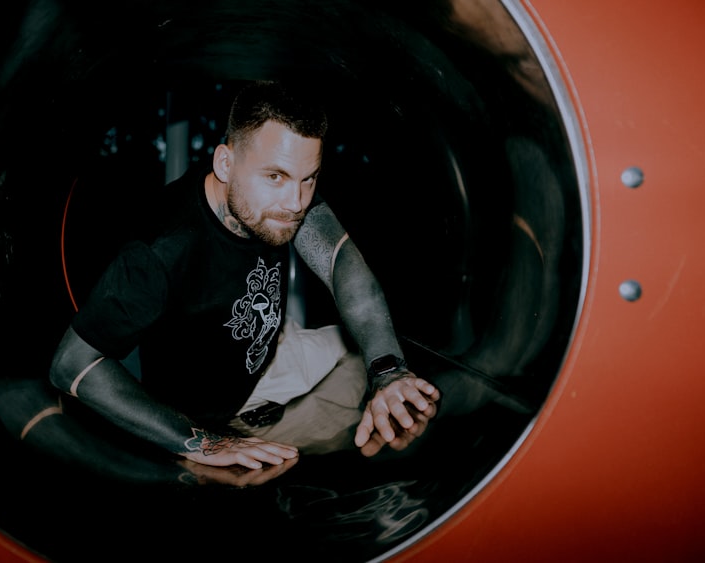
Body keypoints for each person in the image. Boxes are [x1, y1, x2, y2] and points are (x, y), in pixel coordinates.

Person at [48, 80, 440, 471]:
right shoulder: (160, 251)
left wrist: (388, 372)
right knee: (383, 446)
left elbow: (342, 264)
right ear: (224, 163)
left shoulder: (277, 197)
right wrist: (202, 444)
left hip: (278, 347)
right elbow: (71, 363)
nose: (296, 203)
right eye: (276, 177)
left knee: (413, 389)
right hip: (228, 411)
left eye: (309, 179)